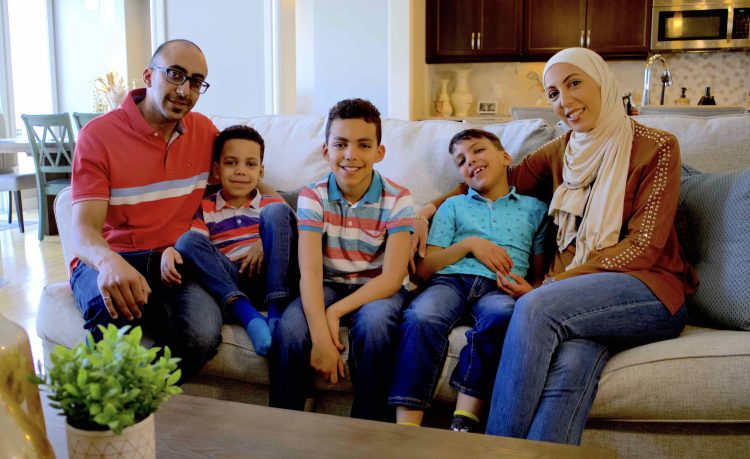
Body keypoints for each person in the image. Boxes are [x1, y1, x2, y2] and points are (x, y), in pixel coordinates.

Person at [421, 47, 698, 444]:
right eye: (552, 93)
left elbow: (645, 247)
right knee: (572, 362)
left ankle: (492, 452)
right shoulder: (563, 150)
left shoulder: (657, 146)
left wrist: (555, 285)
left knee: (536, 307)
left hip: (648, 291)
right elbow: (498, 176)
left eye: (573, 84)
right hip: (581, 305)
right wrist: (425, 211)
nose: (564, 101)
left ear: (601, 81)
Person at [70, 39, 274, 380]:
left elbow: (244, 176)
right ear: (149, 76)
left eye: (195, 82)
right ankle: (107, 405)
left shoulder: (204, 132)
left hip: (178, 264)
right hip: (113, 258)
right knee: (109, 316)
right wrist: (109, 262)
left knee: (201, 334)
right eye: (175, 75)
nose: (184, 90)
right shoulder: (98, 136)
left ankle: (143, 396)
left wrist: (280, 218)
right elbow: (84, 229)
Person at [388, 129, 548, 433]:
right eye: (461, 160)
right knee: (421, 316)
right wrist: (469, 244)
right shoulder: (453, 206)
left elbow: (540, 274)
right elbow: (424, 270)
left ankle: (464, 419)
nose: (470, 161)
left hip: (500, 286)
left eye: (478, 151)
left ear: (505, 157)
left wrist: (531, 290)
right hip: (449, 281)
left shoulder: (534, 209)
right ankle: (405, 429)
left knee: (503, 315)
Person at [269, 98, 415, 422]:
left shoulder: (398, 197)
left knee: (376, 325)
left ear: (379, 152)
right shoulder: (313, 195)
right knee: (291, 331)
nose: (351, 155)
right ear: (326, 151)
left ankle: (367, 432)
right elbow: (309, 273)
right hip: (327, 282)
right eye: (341, 144)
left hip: (378, 288)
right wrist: (321, 339)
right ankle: (280, 429)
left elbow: (392, 278)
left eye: (364, 145)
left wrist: (334, 312)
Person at [160, 125, 297, 357]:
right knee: (187, 240)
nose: (241, 171)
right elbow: (196, 251)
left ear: (261, 172)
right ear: (216, 169)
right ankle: (247, 314)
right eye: (231, 163)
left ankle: (275, 314)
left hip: (271, 276)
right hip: (231, 280)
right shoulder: (205, 207)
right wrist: (170, 251)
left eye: (250, 164)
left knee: (278, 212)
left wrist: (264, 242)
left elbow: (294, 234)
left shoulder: (269, 203)